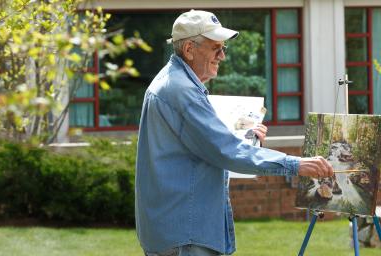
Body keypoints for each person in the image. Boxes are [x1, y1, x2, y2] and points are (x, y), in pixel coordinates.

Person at [135, 9, 333, 256]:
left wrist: (244, 138)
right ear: (189, 50)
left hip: (178, 228)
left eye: (223, 47)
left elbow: (203, 145)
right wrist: (296, 164)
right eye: (215, 47)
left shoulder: (174, 82)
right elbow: (225, 150)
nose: (222, 55)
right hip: (185, 234)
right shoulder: (182, 91)